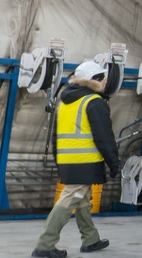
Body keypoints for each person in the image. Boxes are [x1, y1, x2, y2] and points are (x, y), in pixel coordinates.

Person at [32, 61, 118, 257]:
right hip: (85, 162)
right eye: (102, 79)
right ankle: (45, 245)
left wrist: (59, 162)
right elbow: (104, 137)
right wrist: (114, 163)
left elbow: (55, 137)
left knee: (82, 200)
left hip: (68, 162)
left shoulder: (64, 104)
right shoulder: (94, 103)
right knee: (70, 200)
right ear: (95, 80)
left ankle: (91, 239)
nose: (105, 83)